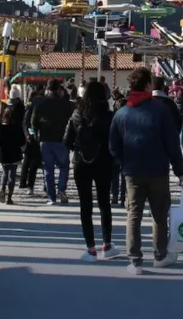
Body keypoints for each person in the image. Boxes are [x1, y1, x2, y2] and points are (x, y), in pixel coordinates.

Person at [109, 67, 183, 275]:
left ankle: (135, 260)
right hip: (158, 170)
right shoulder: (161, 110)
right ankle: (160, 254)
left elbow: (113, 146)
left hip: (132, 171)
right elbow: (172, 143)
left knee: (133, 214)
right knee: (159, 214)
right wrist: (180, 171)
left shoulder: (122, 112)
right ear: (148, 85)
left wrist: (123, 161)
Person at [64, 80, 119, 262]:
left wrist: (81, 146)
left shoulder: (77, 114)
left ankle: (91, 249)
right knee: (104, 203)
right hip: (104, 161)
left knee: (85, 205)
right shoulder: (110, 116)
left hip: (81, 161)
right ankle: (107, 244)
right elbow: (115, 141)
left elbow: (66, 141)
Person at [29, 79, 73, 204]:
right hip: (62, 139)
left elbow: (33, 122)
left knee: (48, 169)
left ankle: (51, 197)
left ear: (46, 88)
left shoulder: (39, 102)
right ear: (59, 89)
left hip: (45, 139)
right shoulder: (66, 104)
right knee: (64, 167)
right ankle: (62, 189)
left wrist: (34, 135)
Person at [0, 105, 25, 205]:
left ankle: (2, 188)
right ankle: (9, 197)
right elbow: (22, 141)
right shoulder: (17, 127)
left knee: (4, 172)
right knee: (12, 174)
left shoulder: (0, 126)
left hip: (3, 153)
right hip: (15, 152)